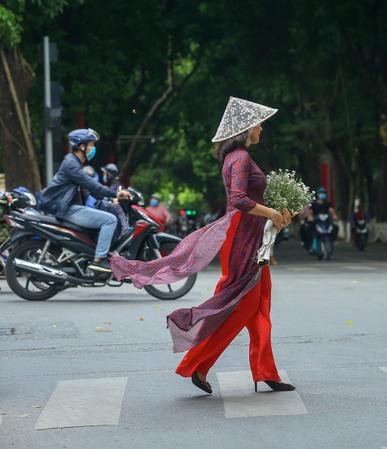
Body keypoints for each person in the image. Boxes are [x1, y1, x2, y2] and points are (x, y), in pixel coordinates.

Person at [110, 97, 294, 395]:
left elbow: (249, 200)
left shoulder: (236, 157)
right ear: (246, 128)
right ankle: (196, 364)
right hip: (242, 240)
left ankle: (265, 371)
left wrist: (276, 214)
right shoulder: (241, 158)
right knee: (239, 307)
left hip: (251, 236)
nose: (261, 129)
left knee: (259, 306)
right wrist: (271, 212)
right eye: (259, 124)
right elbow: (238, 200)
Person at [35, 128, 131, 273]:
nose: (93, 149)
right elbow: (93, 185)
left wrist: (108, 195)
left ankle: (93, 253)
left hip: (71, 207)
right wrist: (116, 194)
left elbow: (93, 190)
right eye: (91, 145)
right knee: (110, 220)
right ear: (81, 146)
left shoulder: (73, 162)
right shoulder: (71, 164)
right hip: (69, 209)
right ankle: (99, 259)